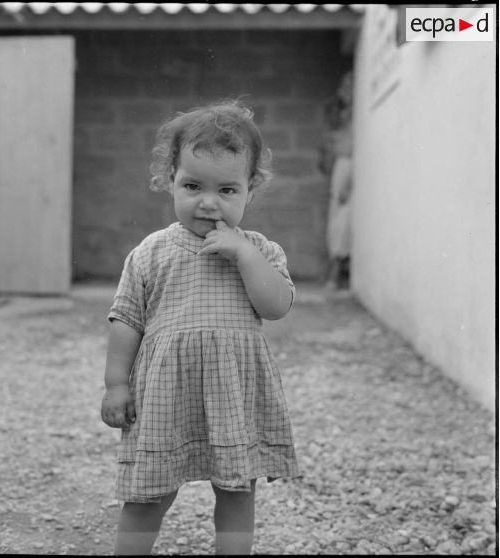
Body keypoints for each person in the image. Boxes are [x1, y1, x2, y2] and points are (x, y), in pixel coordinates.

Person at [101, 99, 300, 556]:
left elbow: (277, 307)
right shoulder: (151, 252)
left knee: (236, 490)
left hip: (232, 394)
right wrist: (115, 384)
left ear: (251, 189)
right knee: (148, 492)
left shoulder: (261, 250)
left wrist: (244, 255)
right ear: (168, 180)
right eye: (192, 185)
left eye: (227, 190)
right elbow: (126, 318)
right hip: (166, 395)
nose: (208, 202)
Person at [321, 72, 354, 290]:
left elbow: (355, 148)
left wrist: (348, 182)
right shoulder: (344, 115)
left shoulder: (357, 117)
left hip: (349, 170)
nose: (343, 90)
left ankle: (336, 276)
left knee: (343, 223)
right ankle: (336, 274)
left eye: (347, 85)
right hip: (341, 169)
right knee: (336, 223)